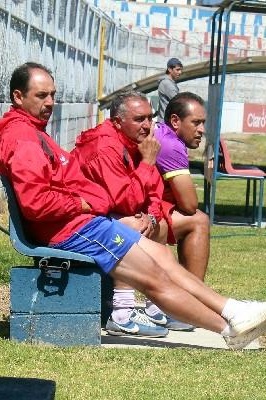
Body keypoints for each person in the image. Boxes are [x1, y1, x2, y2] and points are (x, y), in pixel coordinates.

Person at [0, 62, 266, 350]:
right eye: (41, 95)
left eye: (53, 94)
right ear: (18, 96)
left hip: (84, 223)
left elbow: (143, 194)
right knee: (154, 277)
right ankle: (228, 330)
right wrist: (85, 202)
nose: (50, 102)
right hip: (71, 229)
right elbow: (37, 204)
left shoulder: (33, 131)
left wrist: (142, 208)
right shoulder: (26, 138)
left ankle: (234, 310)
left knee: (162, 257)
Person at [73, 91, 200, 334]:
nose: (147, 125)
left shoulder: (134, 143)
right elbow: (124, 201)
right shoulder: (105, 147)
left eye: (150, 118)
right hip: (85, 221)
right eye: (139, 119)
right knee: (129, 225)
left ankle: (156, 307)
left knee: (157, 222)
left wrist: (152, 214)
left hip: (113, 212)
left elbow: (154, 190)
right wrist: (148, 162)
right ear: (118, 122)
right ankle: (122, 313)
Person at [154, 91, 210, 279]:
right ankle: (194, 295)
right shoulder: (171, 145)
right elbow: (189, 204)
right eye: (196, 122)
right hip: (125, 222)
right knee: (199, 220)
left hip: (122, 216)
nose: (202, 129)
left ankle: (189, 293)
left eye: (203, 123)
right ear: (175, 121)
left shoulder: (162, 134)